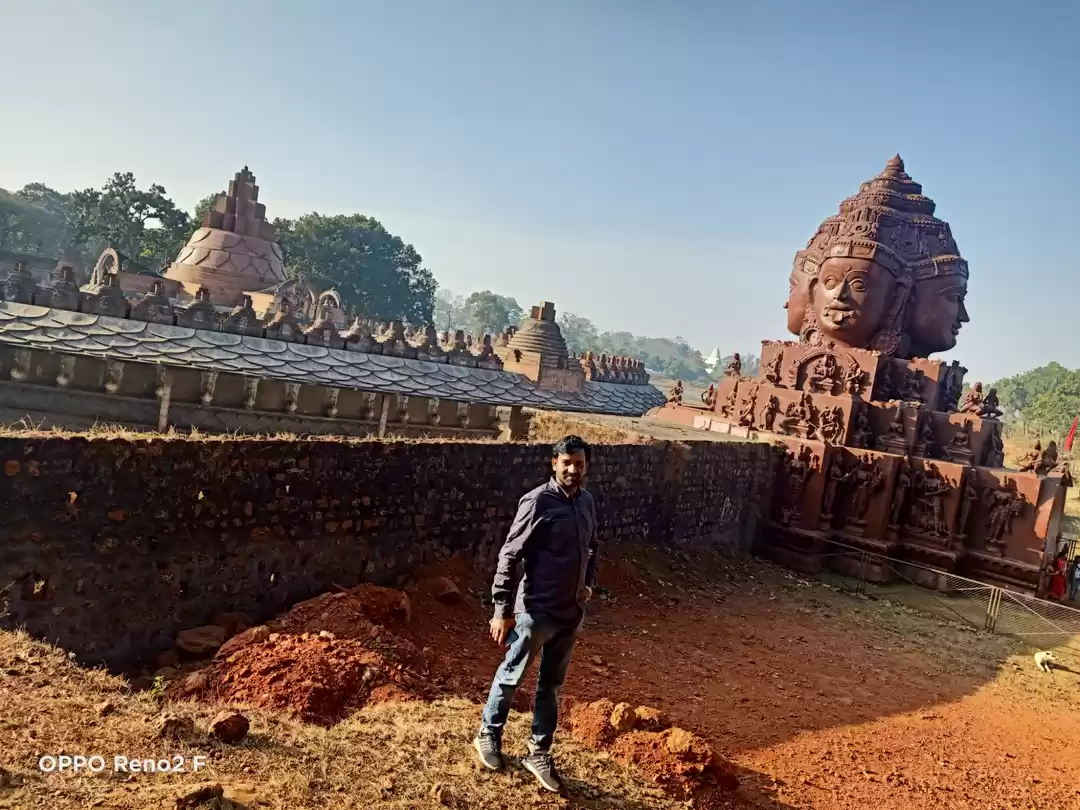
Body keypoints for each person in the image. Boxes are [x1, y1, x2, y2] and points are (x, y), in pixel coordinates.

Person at [473, 435, 598, 793]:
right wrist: (501, 609)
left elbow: (593, 546)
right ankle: (488, 735)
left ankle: (538, 751)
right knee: (512, 676)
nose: (574, 470)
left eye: (580, 464)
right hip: (536, 610)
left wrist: (588, 584)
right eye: (567, 463)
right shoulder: (538, 501)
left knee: (552, 686)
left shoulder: (586, 502)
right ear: (554, 464)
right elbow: (510, 556)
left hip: (570, 613)